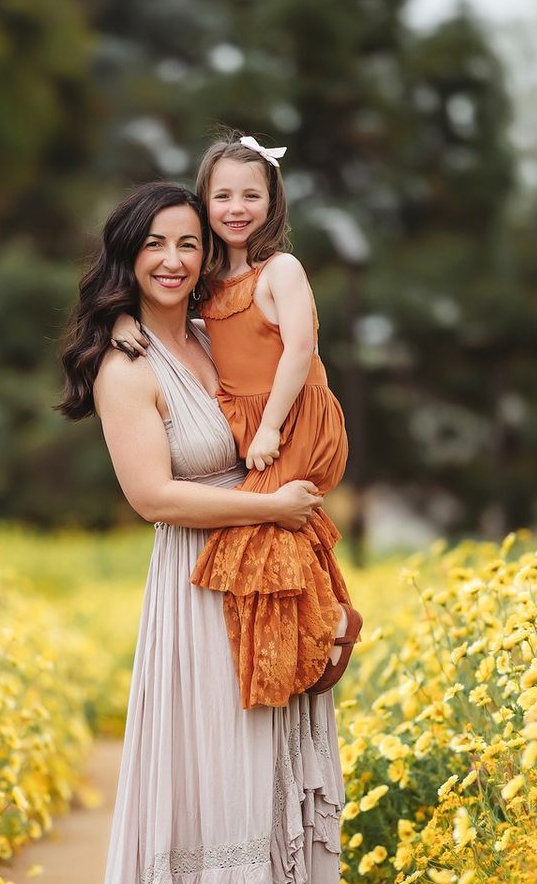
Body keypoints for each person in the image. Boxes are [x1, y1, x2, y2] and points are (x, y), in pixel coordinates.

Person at [56, 181, 345, 884]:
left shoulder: (218, 338)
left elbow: (292, 371)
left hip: (266, 567)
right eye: (154, 246)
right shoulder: (125, 365)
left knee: (265, 755)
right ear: (128, 257)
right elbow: (155, 498)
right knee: (217, 760)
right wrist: (268, 508)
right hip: (197, 579)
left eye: (188, 244)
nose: (174, 260)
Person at [110, 135, 360, 710]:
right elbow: (161, 299)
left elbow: (301, 348)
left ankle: (323, 629)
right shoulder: (211, 284)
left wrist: (270, 426)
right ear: (205, 201)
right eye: (222, 195)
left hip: (294, 417)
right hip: (252, 421)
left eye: (252, 195)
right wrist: (122, 323)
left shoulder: (281, 268)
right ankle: (303, 635)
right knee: (270, 531)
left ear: (273, 203)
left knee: (266, 535)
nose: (236, 208)